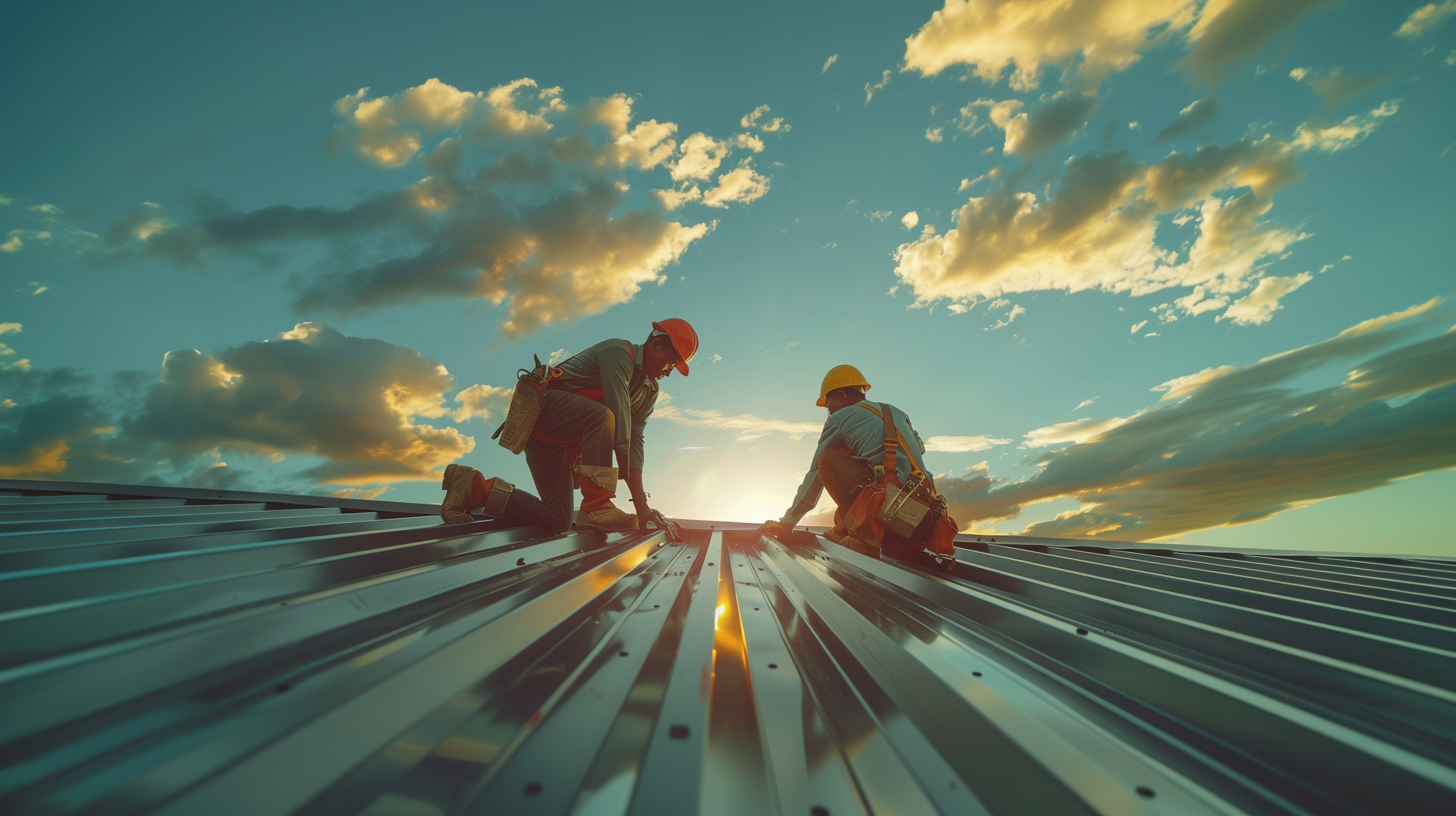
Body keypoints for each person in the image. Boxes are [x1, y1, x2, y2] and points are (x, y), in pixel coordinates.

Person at [440, 318, 697, 536]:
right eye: (670, 359)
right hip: (546, 413)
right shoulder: (619, 354)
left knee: (558, 520)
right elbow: (620, 429)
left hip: (558, 443)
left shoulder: (648, 391)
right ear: (655, 343)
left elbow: (635, 444)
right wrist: (636, 506)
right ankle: (597, 506)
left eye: (675, 365)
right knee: (605, 417)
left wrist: (643, 506)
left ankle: (476, 489)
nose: (670, 370)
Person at [759, 365, 956, 567]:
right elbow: (919, 449)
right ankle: (847, 529)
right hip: (923, 523)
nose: (830, 413)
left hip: (891, 528)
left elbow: (814, 476)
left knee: (828, 459)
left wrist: (787, 523)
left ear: (841, 395)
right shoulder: (898, 413)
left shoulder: (839, 419)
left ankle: (861, 537)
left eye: (830, 407)